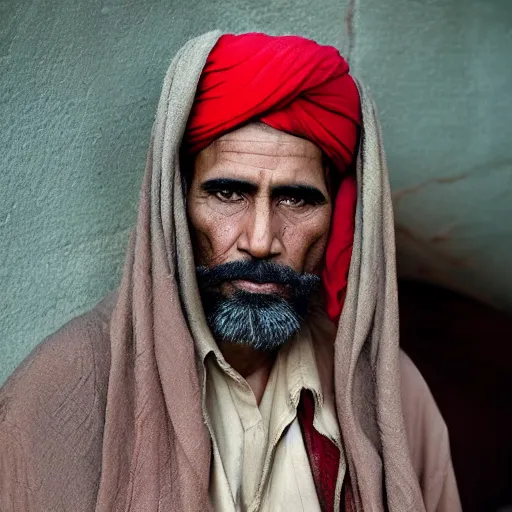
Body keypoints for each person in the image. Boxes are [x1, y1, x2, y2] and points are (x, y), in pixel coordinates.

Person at [0, 31, 461, 511]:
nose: (260, 240)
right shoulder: (56, 397)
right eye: (227, 194)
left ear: (336, 217)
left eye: (296, 199)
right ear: (177, 204)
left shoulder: (391, 395)